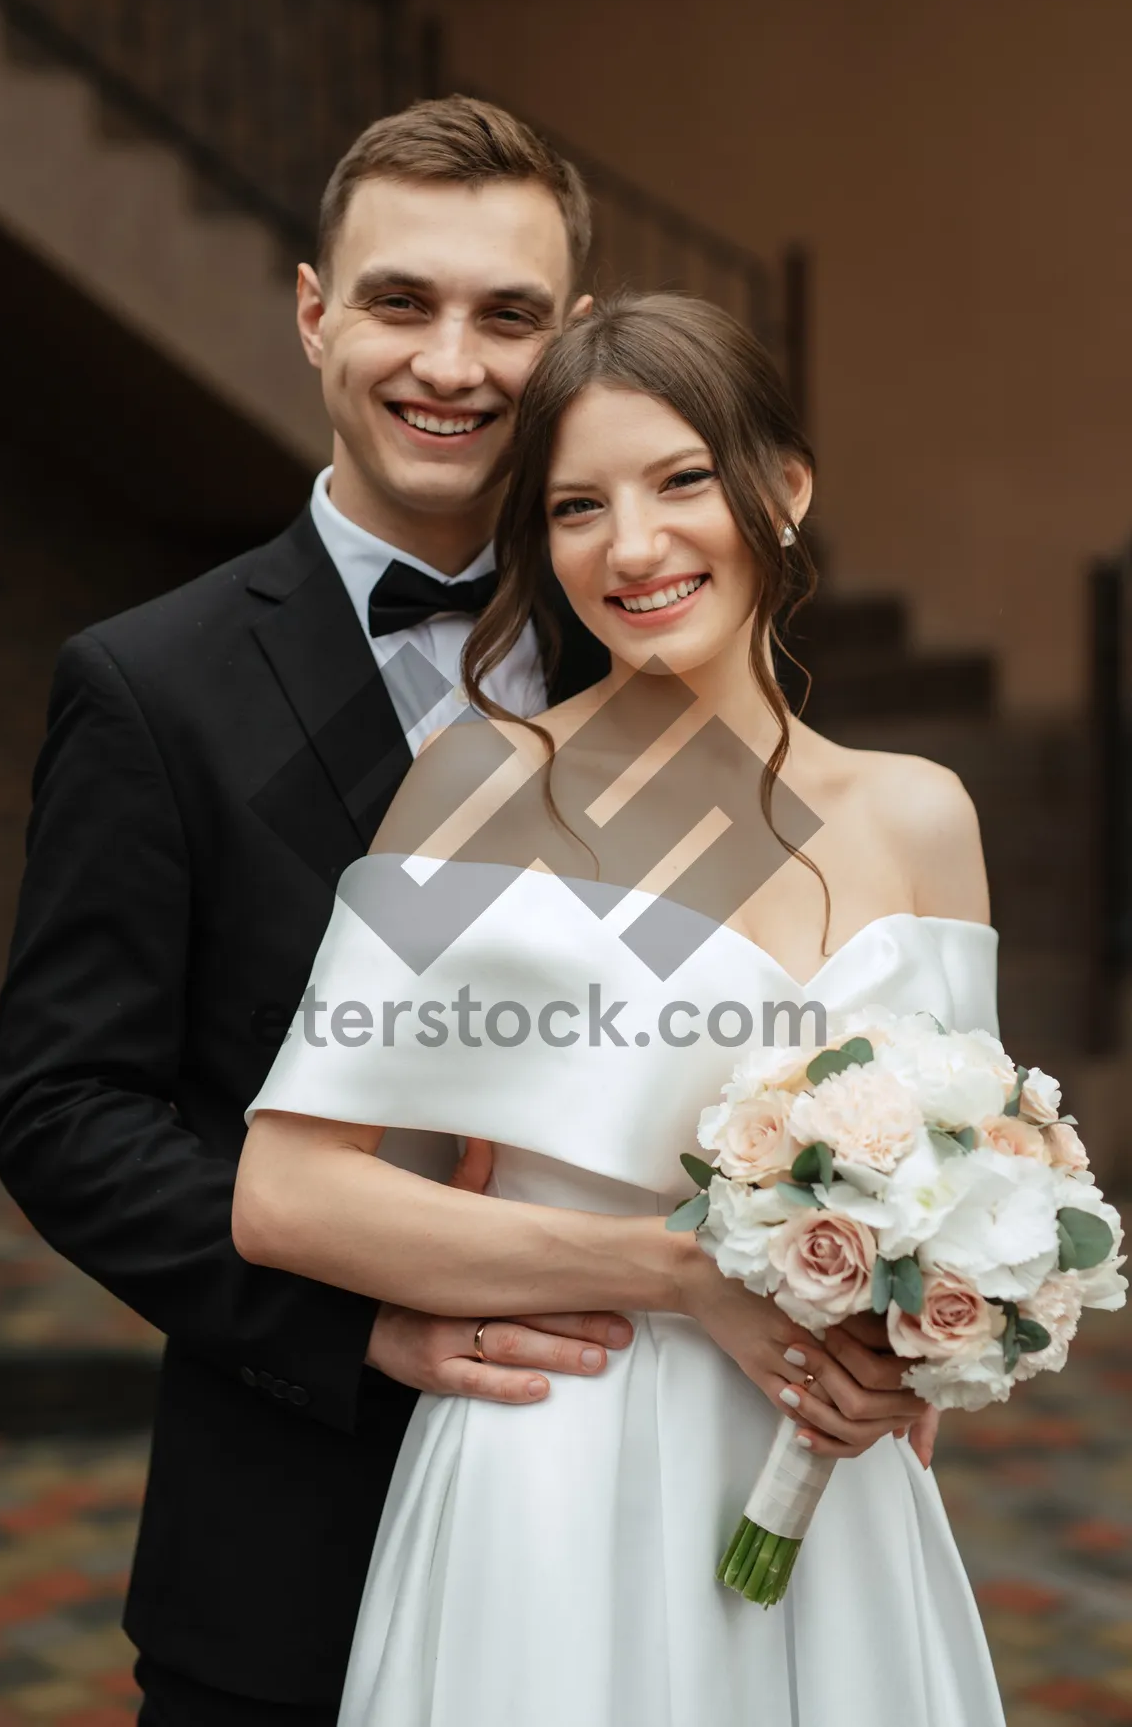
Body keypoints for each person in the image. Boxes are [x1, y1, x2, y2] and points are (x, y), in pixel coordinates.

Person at [235, 293, 1006, 1724]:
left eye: (682, 480)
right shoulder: (477, 790)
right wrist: (674, 1273)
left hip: (832, 1500)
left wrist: (906, 1376)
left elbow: (963, 1201)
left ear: (783, 485)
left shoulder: (922, 817)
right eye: (576, 506)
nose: (632, 547)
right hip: (550, 1472)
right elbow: (288, 1196)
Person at [0, 96, 644, 1726]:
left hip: (632, 1511)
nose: (451, 361)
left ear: (567, 342)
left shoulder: (657, 652)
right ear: (313, 314)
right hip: (293, 1533)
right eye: (401, 301)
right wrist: (362, 1319)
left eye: (508, 316)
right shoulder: (149, 685)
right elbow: (68, 1110)